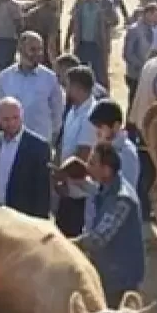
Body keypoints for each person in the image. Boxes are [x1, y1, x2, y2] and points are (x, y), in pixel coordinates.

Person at [73, 140, 145, 310]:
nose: (87, 167)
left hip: (119, 278)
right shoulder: (107, 187)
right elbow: (95, 191)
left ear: (106, 169)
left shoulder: (122, 199)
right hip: (108, 272)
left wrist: (70, 243)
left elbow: (99, 239)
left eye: (92, 163)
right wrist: (76, 180)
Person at [0, 97, 51, 226]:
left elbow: (42, 192)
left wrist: (39, 224)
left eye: (15, 118)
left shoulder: (39, 147)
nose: (11, 123)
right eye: (6, 119)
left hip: (21, 217)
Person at [0, 32, 63, 143]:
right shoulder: (4, 78)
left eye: (40, 49)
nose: (38, 54)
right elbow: (1, 109)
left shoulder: (50, 78)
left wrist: (50, 135)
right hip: (12, 142)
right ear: (20, 49)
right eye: (33, 49)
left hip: (41, 142)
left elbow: (57, 112)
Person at [54, 66, 99, 237]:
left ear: (78, 88)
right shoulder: (73, 110)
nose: (65, 90)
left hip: (79, 191)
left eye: (68, 86)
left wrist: (64, 177)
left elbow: (83, 153)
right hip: (67, 186)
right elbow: (64, 142)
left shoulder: (90, 115)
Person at [66, 0, 120, 89]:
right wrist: (67, 38)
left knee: (101, 74)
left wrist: (105, 18)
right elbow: (73, 20)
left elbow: (115, 21)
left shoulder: (107, 2)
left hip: (99, 44)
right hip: (82, 43)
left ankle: (103, 96)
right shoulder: (80, 1)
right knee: (80, 72)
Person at [88, 99, 139, 191]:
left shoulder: (127, 154)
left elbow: (124, 190)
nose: (97, 132)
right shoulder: (101, 147)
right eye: (96, 127)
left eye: (100, 127)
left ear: (116, 126)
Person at [122, 2, 157, 112]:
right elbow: (127, 54)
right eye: (156, 15)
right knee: (134, 103)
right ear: (148, 14)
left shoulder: (156, 29)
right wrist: (142, 65)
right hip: (136, 74)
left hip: (150, 73)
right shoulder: (134, 29)